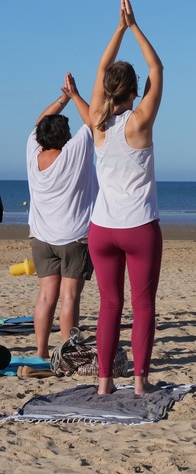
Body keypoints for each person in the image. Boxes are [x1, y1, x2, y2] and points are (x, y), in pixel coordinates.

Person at [88, 0, 163, 395]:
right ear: (135, 91)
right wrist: (133, 25)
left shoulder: (96, 121)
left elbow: (102, 68)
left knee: (109, 307)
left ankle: (103, 384)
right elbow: (157, 66)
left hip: (101, 228)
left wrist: (117, 28)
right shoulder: (139, 122)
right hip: (138, 226)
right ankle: (139, 382)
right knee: (143, 306)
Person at [27, 72, 96, 359]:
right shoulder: (74, 151)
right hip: (73, 238)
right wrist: (76, 95)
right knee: (69, 297)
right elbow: (93, 121)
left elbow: (38, 123)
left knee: (45, 297)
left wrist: (62, 99)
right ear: (65, 136)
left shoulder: (33, 150)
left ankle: (41, 351)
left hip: (42, 238)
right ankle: (66, 354)